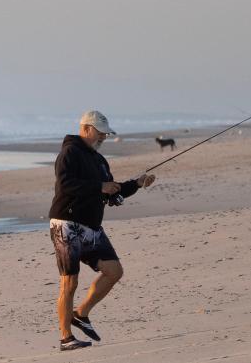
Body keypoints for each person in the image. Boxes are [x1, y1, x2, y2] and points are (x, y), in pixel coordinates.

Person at [48, 110, 156, 351]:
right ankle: (66, 338)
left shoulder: (99, 160)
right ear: (86, 129)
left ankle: (81, 313)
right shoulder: (70, 152)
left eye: (106, 134)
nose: (104, 137)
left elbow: (113, 191)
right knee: (69, 282)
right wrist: (99, 186)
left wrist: (137, 184)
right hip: (66, 224)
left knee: (114, 271)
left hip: (92, 228)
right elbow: (65, 185)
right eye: (100, 132)